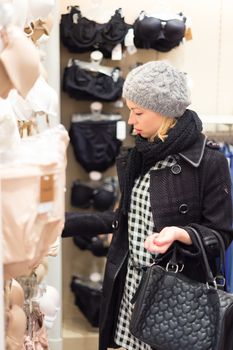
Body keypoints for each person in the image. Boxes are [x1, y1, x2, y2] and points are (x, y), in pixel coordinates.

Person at [62, 60, 233, 350]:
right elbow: (124, 220)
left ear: (165, 112)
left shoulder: (209, 162)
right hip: (128, 290)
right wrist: (59, 222)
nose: (131, 120)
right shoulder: (140, 156)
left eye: (138, 112)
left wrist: (182, 234)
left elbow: (222, 233)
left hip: (171, 299)